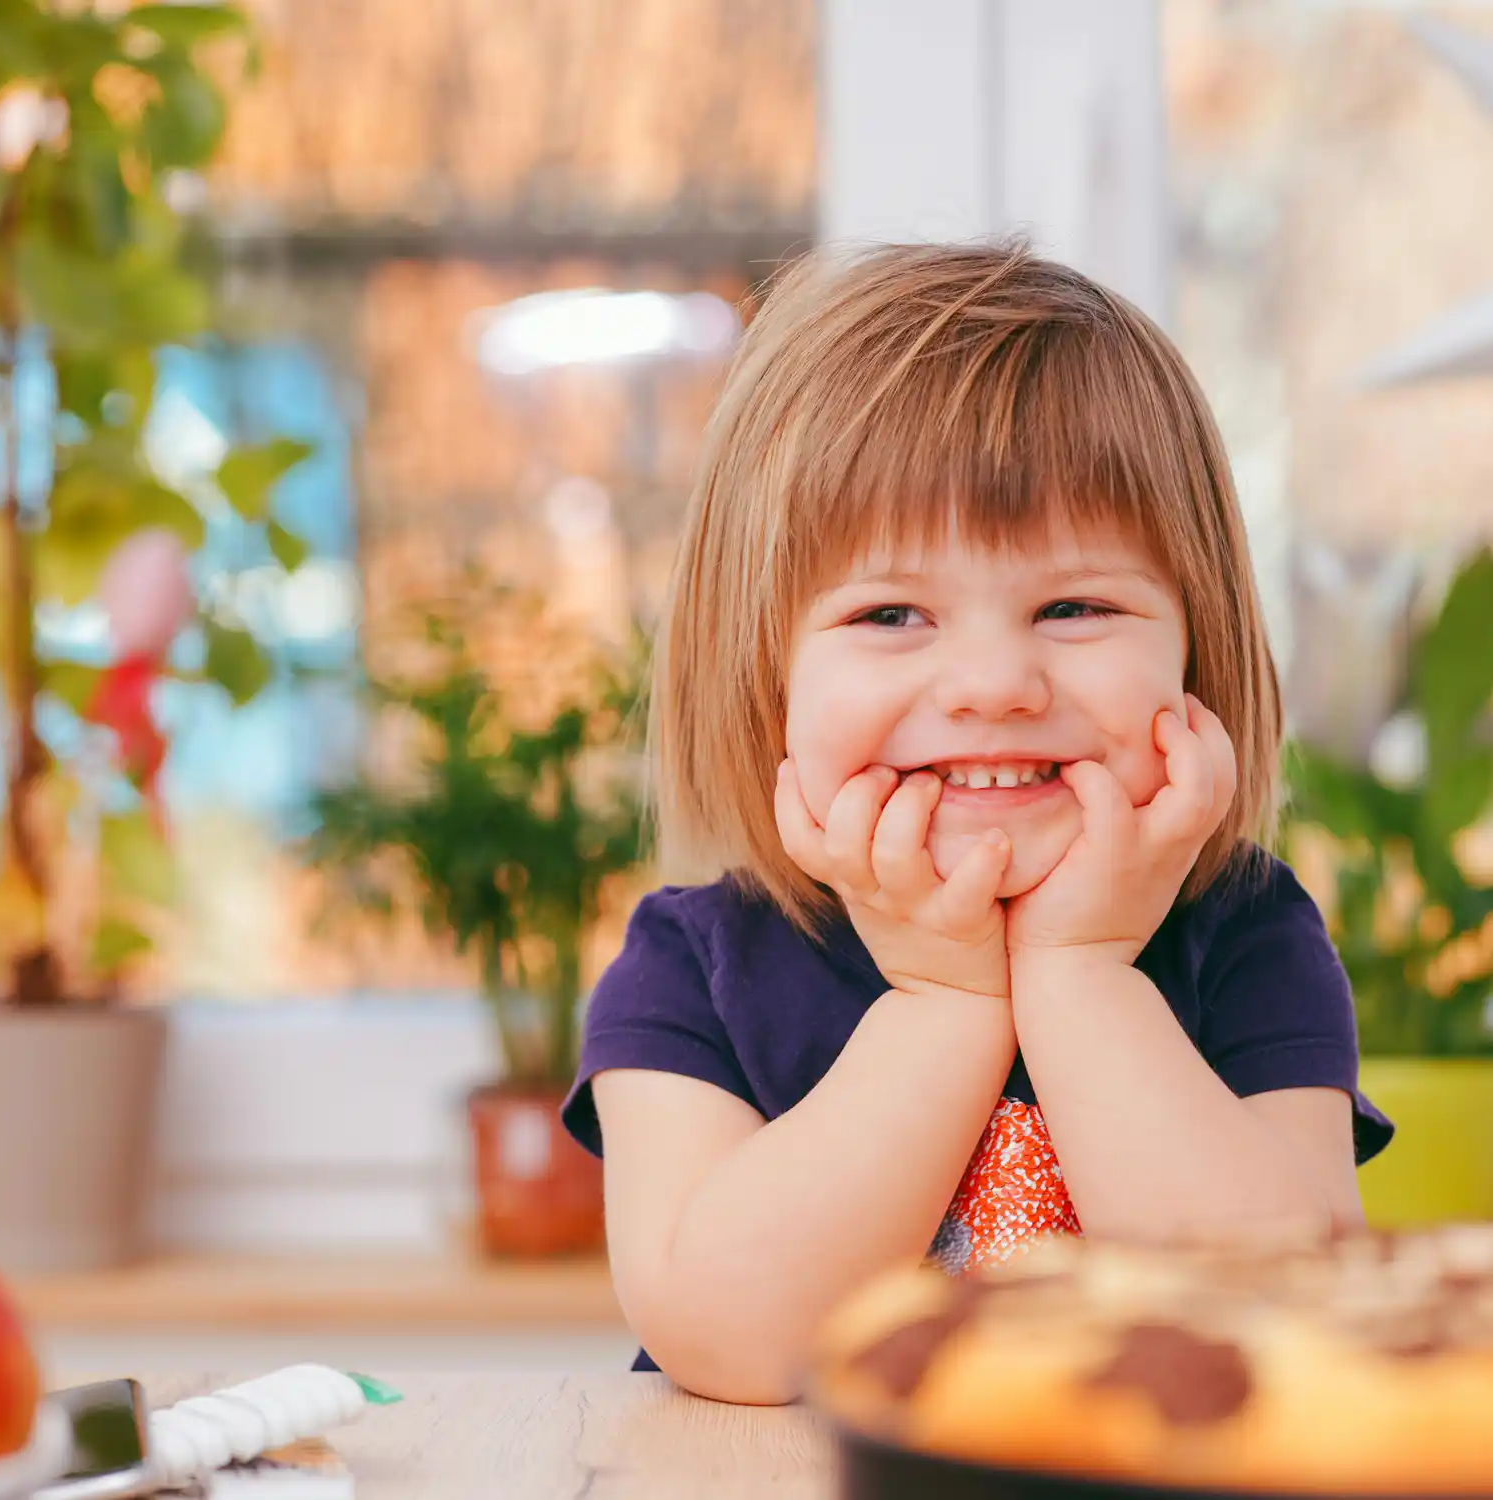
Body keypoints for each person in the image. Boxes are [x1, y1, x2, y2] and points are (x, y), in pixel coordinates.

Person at [560, 242, 1392, 1406]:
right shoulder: (691, 967)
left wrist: (1083, 976)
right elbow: (732, 1343)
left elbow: (1283, 1332)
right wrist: (945, 1001)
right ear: (765, 678)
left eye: (1076, 605)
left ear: (1196, 651)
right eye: (892, 612)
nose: (994, 682)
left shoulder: (1247, 935)